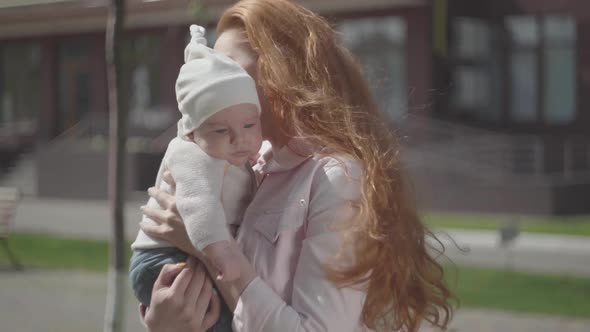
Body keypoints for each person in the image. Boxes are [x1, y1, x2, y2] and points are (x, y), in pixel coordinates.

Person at [139, 0, 455, 331]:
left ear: (280, 69)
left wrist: (207, 248)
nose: (211, 84)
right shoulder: (251, 167)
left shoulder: (337, 178)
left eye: (227, 68)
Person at [129, 24, 262, 331]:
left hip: (190, 251)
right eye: (221, 131)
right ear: (192, 132)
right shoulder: (190, 154)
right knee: (223, 318)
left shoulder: (229, 154)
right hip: (160, 258)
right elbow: (200, 207)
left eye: (249, 125)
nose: (239, 140)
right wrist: (223, 256)